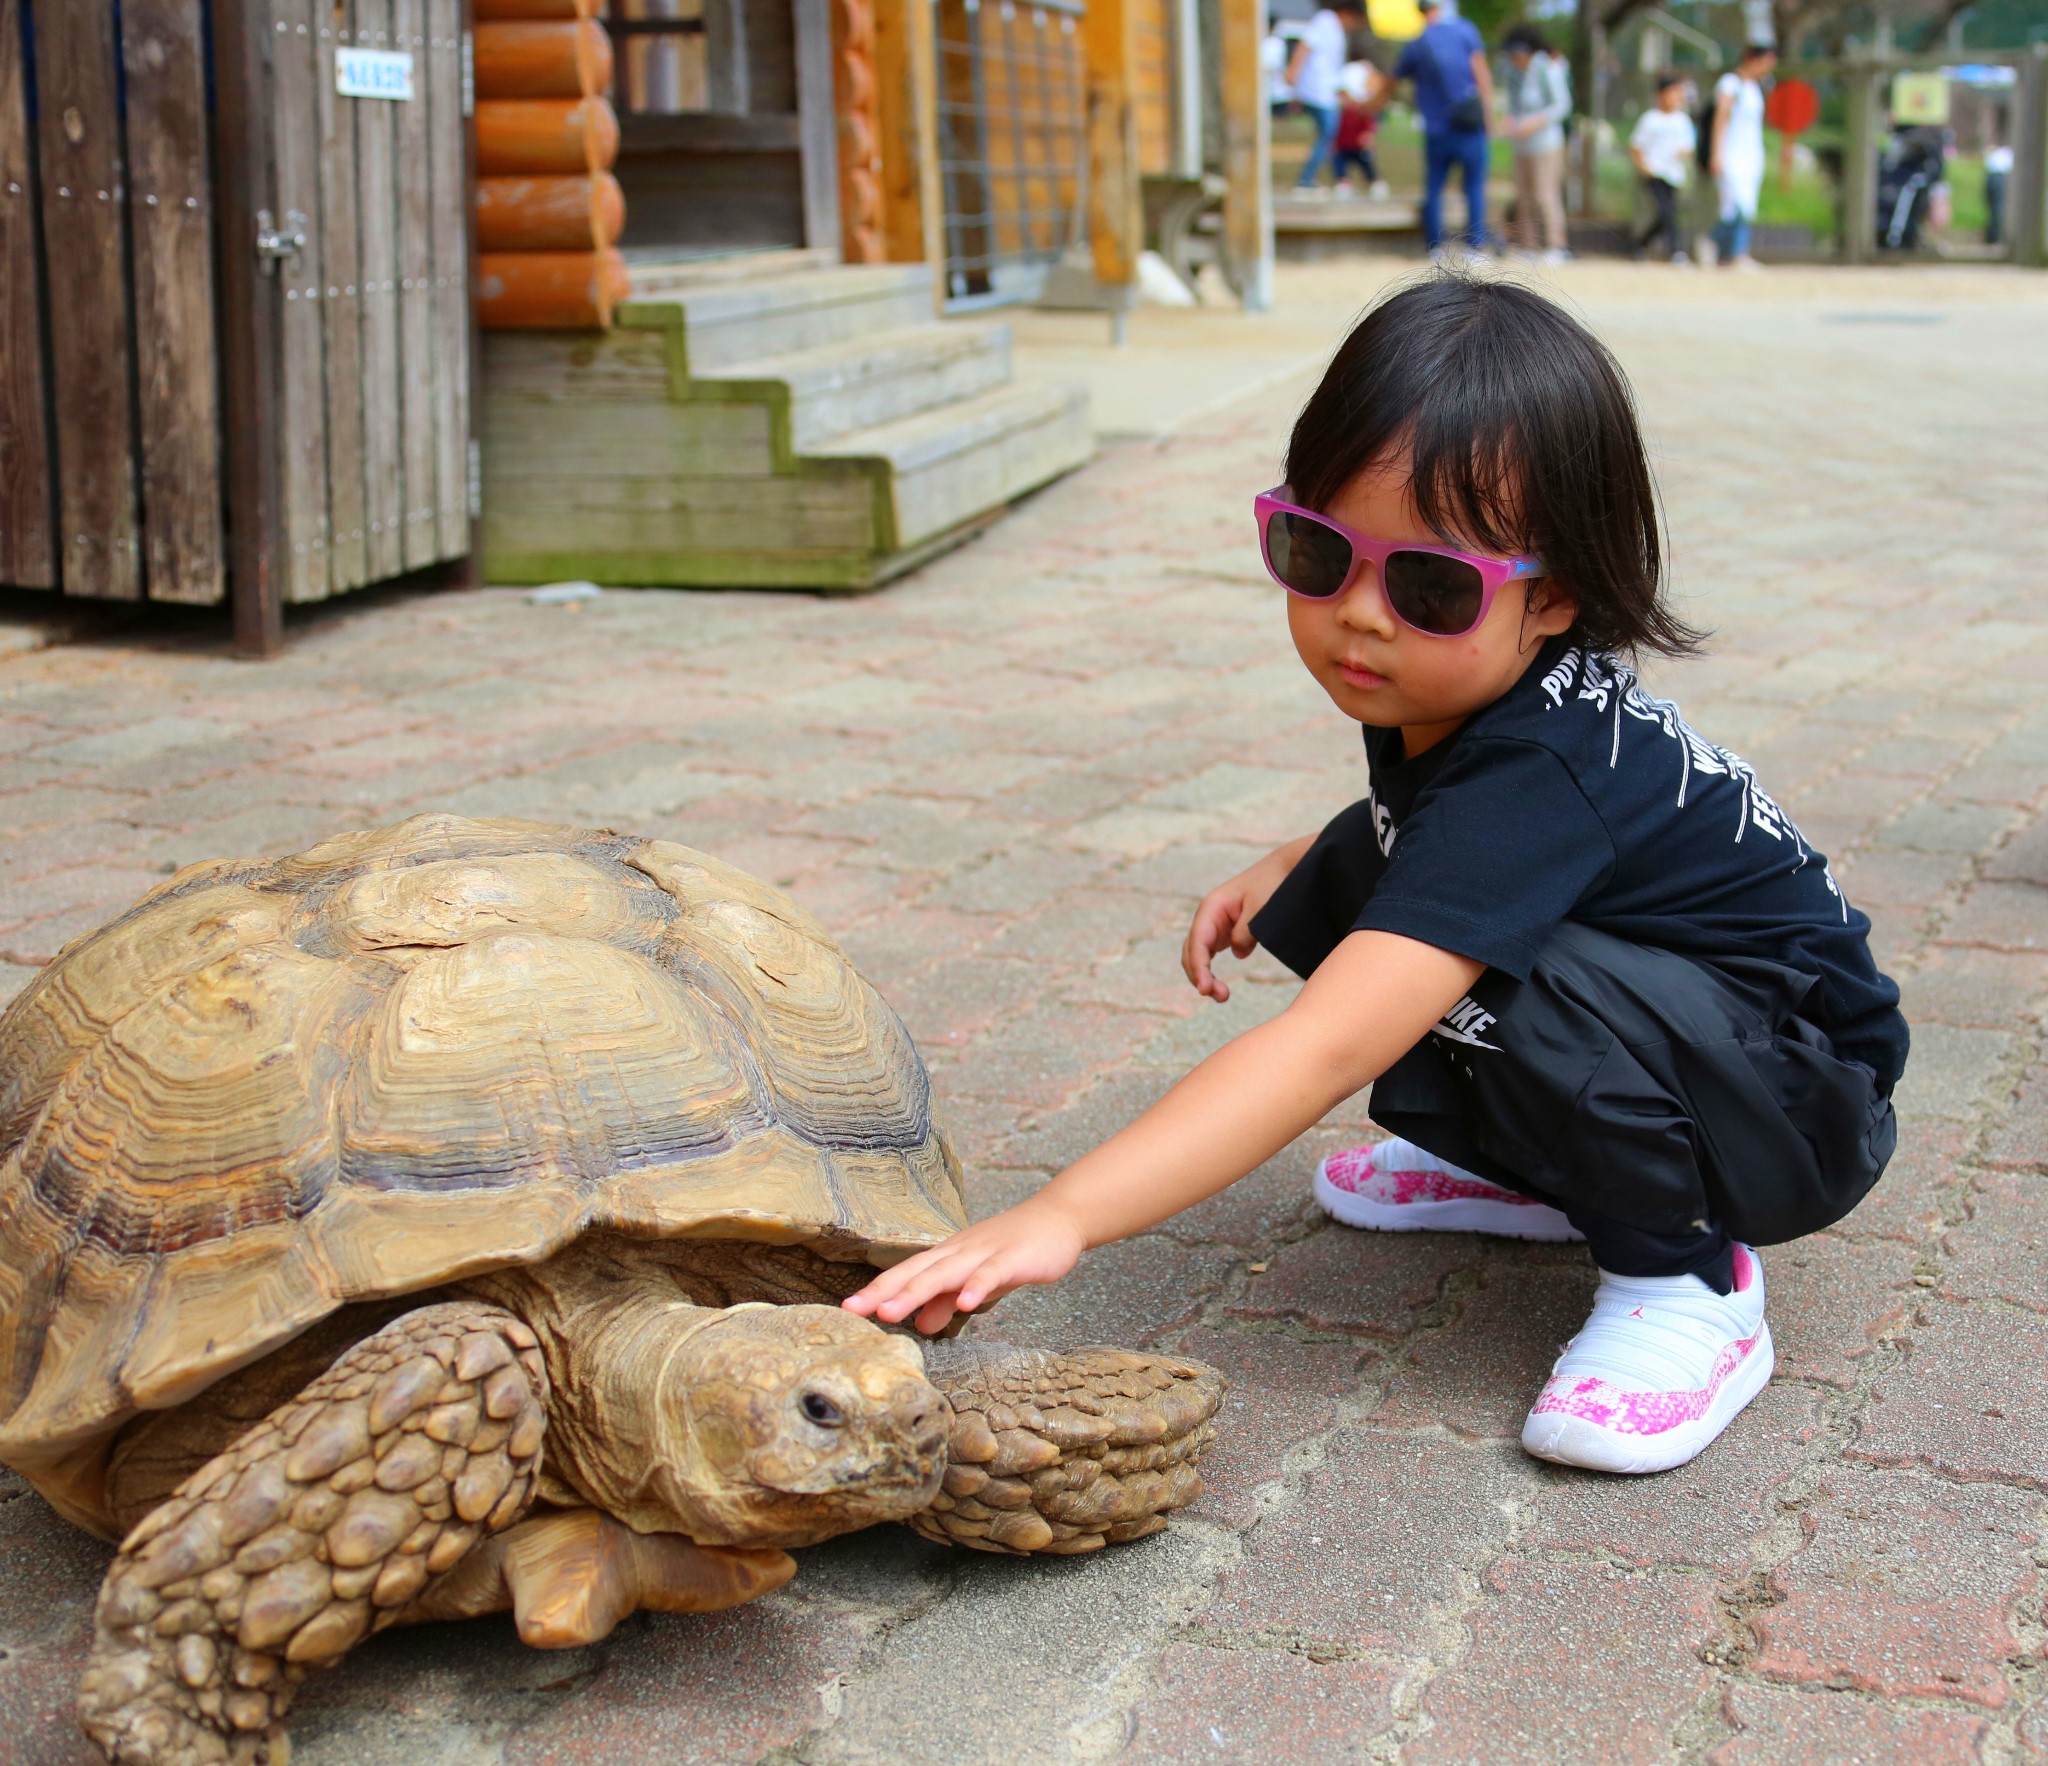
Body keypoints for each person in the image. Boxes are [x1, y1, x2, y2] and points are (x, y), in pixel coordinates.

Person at [847, 275, 1906, 1477]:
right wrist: (1298, 860)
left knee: (1484, 972)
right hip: (1704, 1032)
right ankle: (1547, 1173)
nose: (1359, 616)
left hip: (1797, 1102)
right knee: (1380, 877)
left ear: (1552, 595)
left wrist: (1061, 1213)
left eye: (1429, 584)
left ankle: (1685, 1276)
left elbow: (1323, 1047)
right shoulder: (1473, 700)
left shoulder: (1539, 775)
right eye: (1317, 550)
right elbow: (1433, 827)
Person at [1369, 0, 1495, 256]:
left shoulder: (1417, 42)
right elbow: (1481, 74)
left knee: (1434, 188)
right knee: (1473, 187)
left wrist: (1369, 106)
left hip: (1437, 128)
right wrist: (1489, 116)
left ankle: (1435, 246)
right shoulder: (1465, 31)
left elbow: (1392, 81)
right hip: (1470, 125)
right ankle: (1475, 247)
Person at [1500, 24, 1572, 262]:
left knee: (1545, 194)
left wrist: (1535, 122)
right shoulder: (1513, 72)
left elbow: (1561, 105)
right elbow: (1513, 102)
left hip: (1546, 143)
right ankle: (1528, 245)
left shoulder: (1547, 68)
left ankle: (1556, 245)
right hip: (1522, 144)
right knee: (1524, 196)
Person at [1288, 1, 1365, 194]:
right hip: (1317, 90)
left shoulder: (1336, 29)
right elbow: (1305, 46)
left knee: (1328, 135)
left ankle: (1314, 179)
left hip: (1325, 91)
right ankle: (1306, 181)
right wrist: (1293, 71)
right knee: (1328, 134)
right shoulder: (1325, 21)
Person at [1710, 43, 1774, 269]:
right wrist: (1716, 152)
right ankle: (1722, 246)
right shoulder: (1731, 83)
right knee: (1733, 203)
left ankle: (1729, 252)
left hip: (1751, 153)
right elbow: (1721, 119)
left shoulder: (1755, 88)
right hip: (1732, 151)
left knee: (1746, 204)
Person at [1629, 73, 1696, 262]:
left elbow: (1689, 147)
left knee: (1668, 213)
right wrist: (1643, 166)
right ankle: (1677, 251)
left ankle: (1641, 243)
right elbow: (1636, 147)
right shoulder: (1650, 119)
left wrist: (1684, 154)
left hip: (1674, 174)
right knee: (1667, 211)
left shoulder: (1682, 120)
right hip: (1655, 172)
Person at [1331, 62, 1388, 199]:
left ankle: (1374, 181)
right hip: (1342, 147)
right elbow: (1333, 131)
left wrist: (1368, 137)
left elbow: (1369, 126)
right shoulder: (1339, 112)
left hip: (1359, 146)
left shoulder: (1360, 111)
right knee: (1340, 166)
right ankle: (1342, 182)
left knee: (1366, 165)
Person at [1983, 140, 2011, 247]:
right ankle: (1994, 236)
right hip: (1998, 179)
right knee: (1996, 209)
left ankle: (1993, 236)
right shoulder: (2005, 153)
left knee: (1995, 209)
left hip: (1993, 178)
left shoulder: (1996, 153)